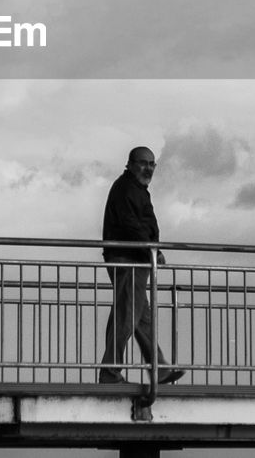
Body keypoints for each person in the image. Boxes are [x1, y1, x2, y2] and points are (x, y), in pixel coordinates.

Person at [98, 146, 185, 385]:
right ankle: (110, 372)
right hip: (129, 260)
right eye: (143, 163)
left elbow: (138, 225)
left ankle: (160, 368)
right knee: (127, 316)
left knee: (140, 318)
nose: (148, 168)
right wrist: (151, 250)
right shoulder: (127, 189)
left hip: (135, 258)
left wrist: (152, 250)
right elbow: (130, 226)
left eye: (152, 164)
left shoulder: (135, 189)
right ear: (130, 164)